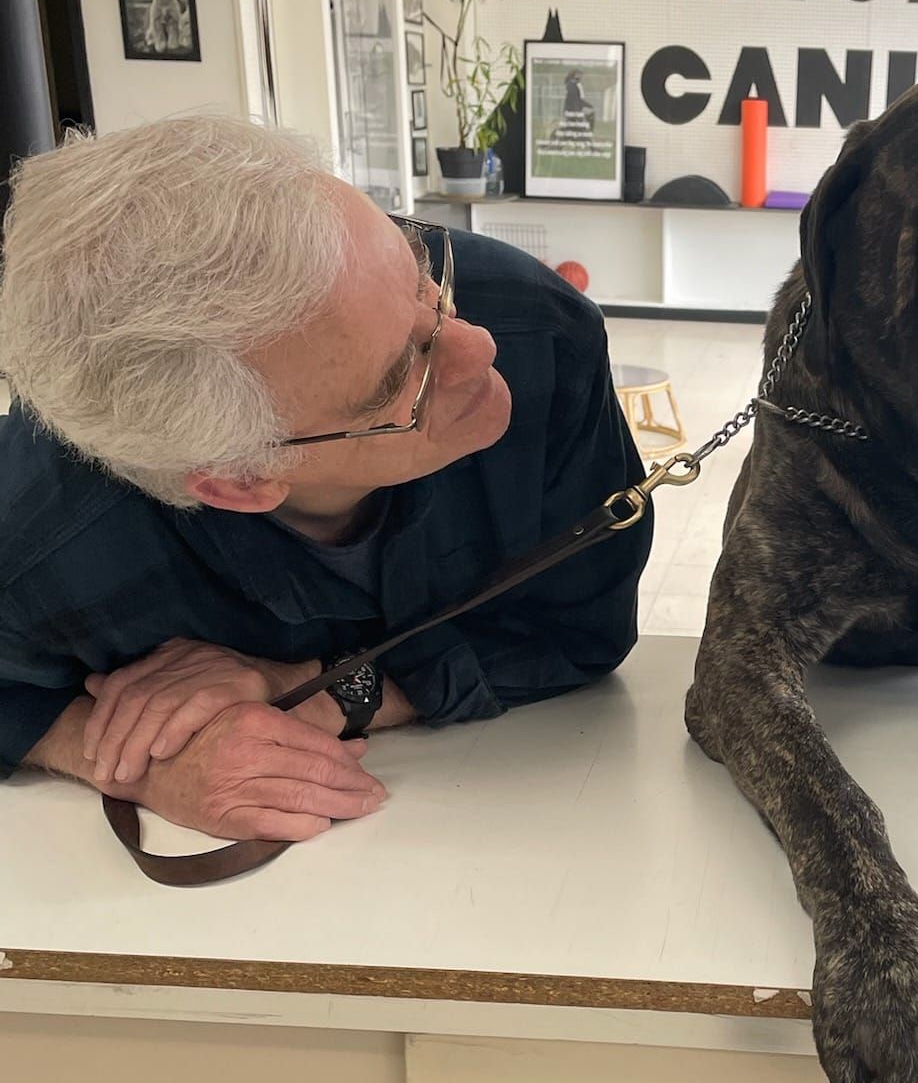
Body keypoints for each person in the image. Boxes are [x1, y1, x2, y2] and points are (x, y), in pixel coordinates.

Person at [0, 114, 651, 845]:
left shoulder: (538, 326)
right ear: (241, 479)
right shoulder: (39, 528)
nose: (479, 346)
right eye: (401, 378)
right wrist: (133, 757)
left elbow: (581, 631)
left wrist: (317, 689)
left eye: (422, 279)